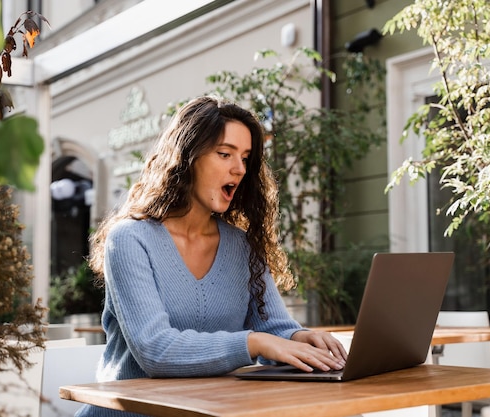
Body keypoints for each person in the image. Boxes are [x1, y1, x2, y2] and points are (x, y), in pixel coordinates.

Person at [75, 96, 347, 417]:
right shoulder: (130, 239)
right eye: (224, 154)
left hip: (212, 409)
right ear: (186, 158)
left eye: (245, 158)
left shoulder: (242, 245)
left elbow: (273, 327)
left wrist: (303, 339)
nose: (239, 168)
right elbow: (155, 350)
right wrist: (252, 343)